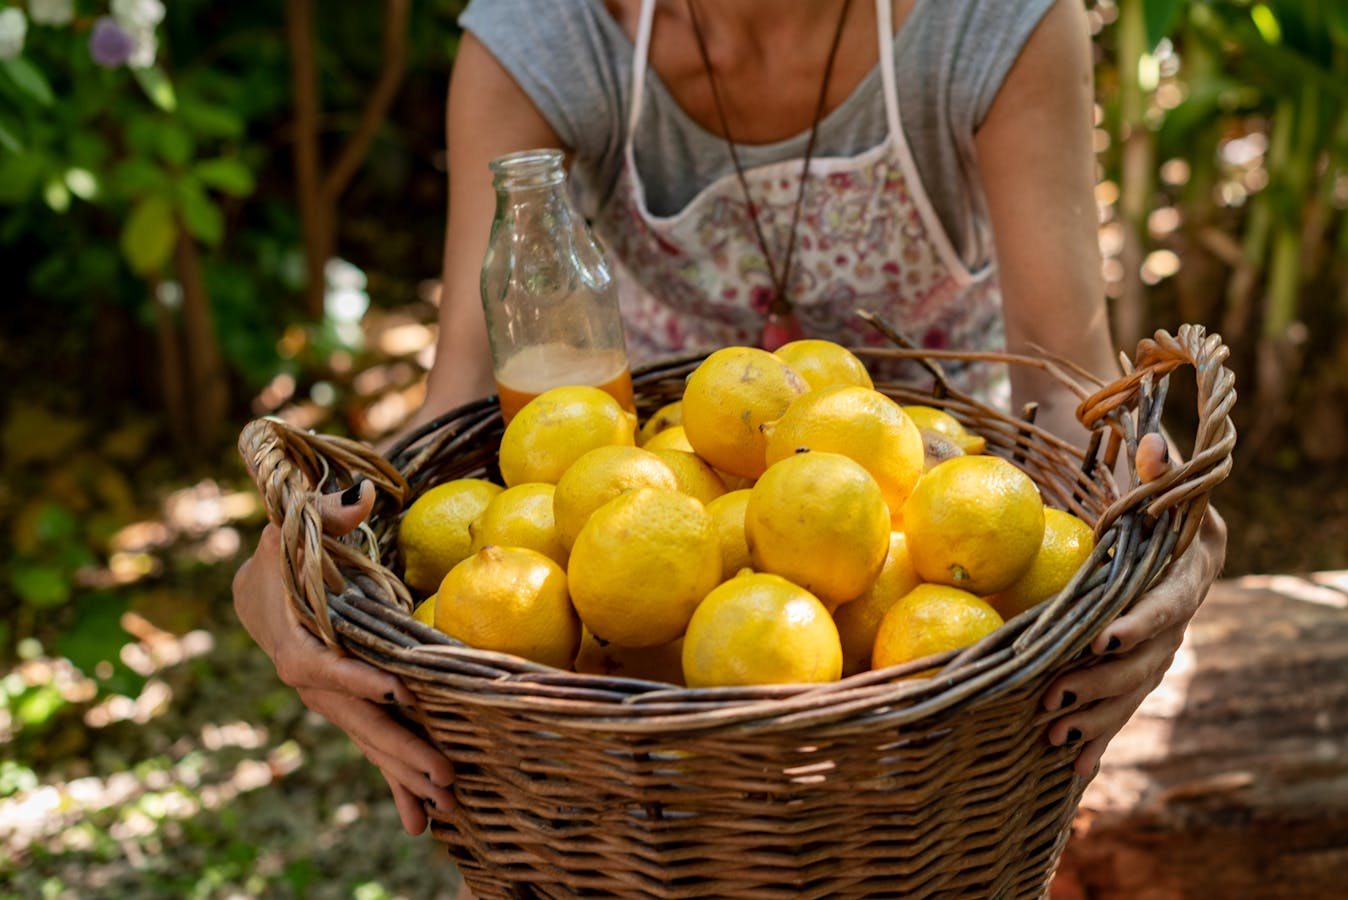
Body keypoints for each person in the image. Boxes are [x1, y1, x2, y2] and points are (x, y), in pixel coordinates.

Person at [233, 0, 1226, 851]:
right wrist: (304, 560)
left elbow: (1069, 385)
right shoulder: (551, 29)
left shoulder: (986, 22)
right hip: (624, 658)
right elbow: (460, 395)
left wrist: (1157, 535)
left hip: (931, 619)